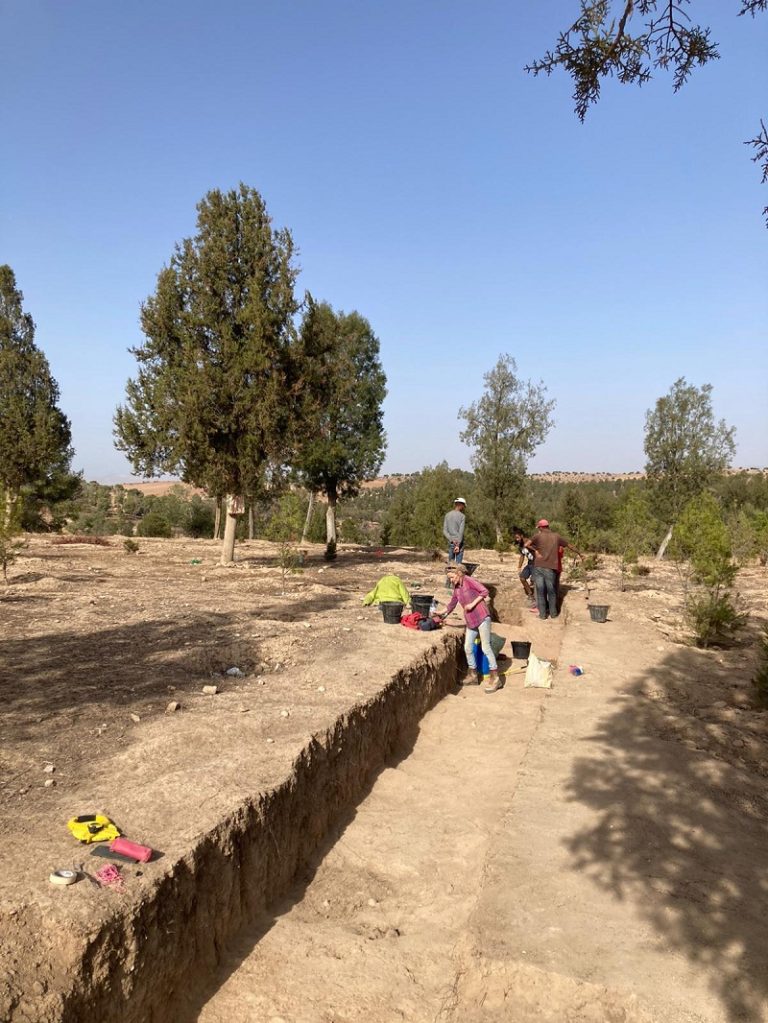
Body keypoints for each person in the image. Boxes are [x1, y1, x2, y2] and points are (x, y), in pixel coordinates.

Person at [439, 563, 502, 693]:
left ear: (459, 574)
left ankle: (496, 678)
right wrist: (439, 613)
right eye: (449, 578)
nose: (451, 580)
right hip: (471, 621)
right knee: (468, 647)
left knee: (485, 647)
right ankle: (473, 675)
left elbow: (484, 591)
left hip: (482, 617)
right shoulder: (456, 588)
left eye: (452, 577)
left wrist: (472, 604)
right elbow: (451, 605)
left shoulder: (469, 581)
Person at [525, 520, 582, 621]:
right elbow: (570, 546)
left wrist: (536, 550)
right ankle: (553, 614)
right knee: (551, 592)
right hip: (550, 568)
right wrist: (580, 554)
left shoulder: (537, 536)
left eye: (539, 528)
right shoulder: (556, 536)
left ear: (541, 527)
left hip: (538, 567)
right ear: (547, 526)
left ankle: (542, 615)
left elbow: (526, 545)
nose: (538, 529)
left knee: (541, 591)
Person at [513, 526, 535, 605]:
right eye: (516, 538)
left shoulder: (529, 542)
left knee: (534, 581)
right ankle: (530, 594)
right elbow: (522, 556)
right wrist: (519, 567)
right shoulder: (520, 545)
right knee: (522, 578)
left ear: (522, 536)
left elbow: (537, 550)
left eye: (518, 537)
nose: (517, 539)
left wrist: (529, 546)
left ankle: (538, 599)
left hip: (536, 563)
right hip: (530, 563)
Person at [443, 498, 466, 566]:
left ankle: (449, 576)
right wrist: (458, 545)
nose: (464, 508)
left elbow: (444, 531)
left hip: (451, 543)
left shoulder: (447, 515)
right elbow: (461, 532)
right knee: (458, 566)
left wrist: (451, 540)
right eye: (464, 506)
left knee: (450, 565)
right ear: (461, 505)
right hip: (459, 544)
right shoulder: (462, 516)